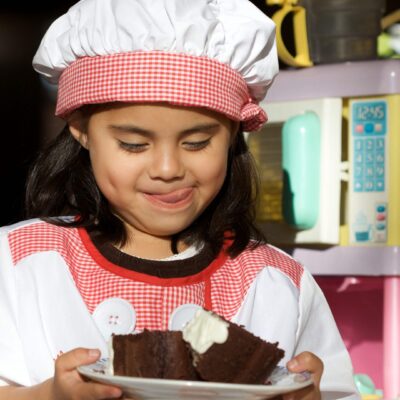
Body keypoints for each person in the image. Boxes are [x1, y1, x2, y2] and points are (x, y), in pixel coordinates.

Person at [0, 0, 359, 399]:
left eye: (197, 142)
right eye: (133, 144)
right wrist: (47, 395)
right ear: (80, 129)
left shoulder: (276, 284)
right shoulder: (20, 263)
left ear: (233, 135)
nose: (168, 168)